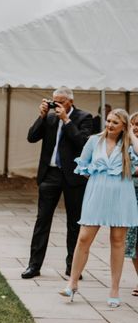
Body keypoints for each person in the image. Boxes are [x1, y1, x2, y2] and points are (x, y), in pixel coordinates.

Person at [59, 109, 138, 307]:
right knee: (84, 238)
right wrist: (98, 181)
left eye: (115, 123)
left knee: (118, 241)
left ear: (124, 126)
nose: (110, 125)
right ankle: (72, 282)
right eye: (108, 121)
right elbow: (83, 165)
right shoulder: (94, 141)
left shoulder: (128, 144)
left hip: (121, 196)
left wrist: (130, 134)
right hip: (96, 195)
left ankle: (114, 289)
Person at [22, 87, 93, 279]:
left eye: (60, 102)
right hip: (50, 174)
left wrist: (67, 121)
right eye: (54, 101)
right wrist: (42, 116)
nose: (57, 105)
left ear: (70, 101)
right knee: (42, 221)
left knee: (74, 223)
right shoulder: (50, 118)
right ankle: (33, 265)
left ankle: (73, 267)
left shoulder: (85, 117)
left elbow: (83, 144)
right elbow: (31, 137)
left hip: (73, 176)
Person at [124, 112, 138, 295]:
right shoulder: (126, 145)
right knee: (134, 243)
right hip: (129, 198)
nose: (135, 127)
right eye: (133, 124)